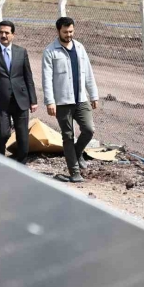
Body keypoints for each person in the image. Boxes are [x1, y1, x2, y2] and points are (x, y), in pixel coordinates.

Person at [42, 16, 99, 183]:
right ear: (58, 31)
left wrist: (93, 95)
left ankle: (77, 151)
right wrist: (50, 101)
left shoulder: (80, 48)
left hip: (81, 99)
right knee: (67, 136)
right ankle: (74, 172)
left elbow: (88, 73)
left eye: (71, 31)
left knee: (88, 129)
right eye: (66, 32)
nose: (69, 35)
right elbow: (47, 79)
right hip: (62, 101)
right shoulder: (50, 51)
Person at [0, 20, 37, 163]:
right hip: (0, 102)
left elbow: (28, 76)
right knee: (2, 133)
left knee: (23, 135)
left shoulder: (21, 52)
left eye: (7, 33)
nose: (4, 35)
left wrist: (33, 100)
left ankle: (21, 164)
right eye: (1, 32)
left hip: (21, 99)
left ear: (13, 34)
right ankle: (0, 160)